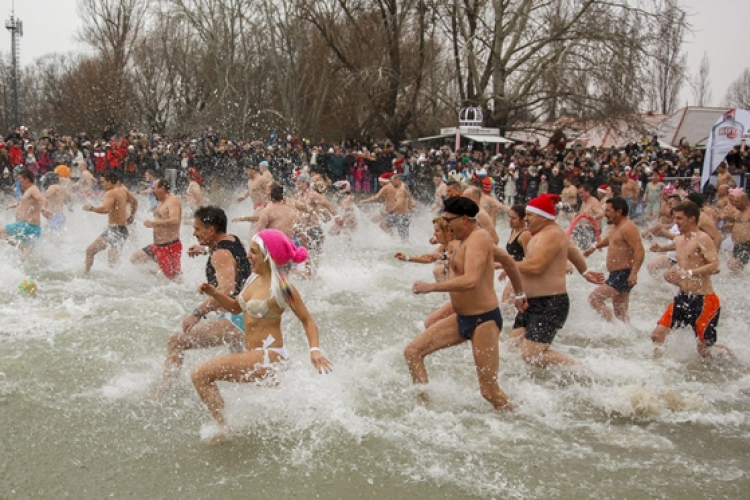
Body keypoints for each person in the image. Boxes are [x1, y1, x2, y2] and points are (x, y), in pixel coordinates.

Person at [193, 229, 332, 444]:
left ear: (269, 256)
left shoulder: (283, 287)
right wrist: (214, 293)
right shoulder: (251, 280)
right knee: (281, 412)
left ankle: (224, 429)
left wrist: (314, 351)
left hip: (269, 356)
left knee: (200, 374)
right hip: (256, 356)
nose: (248, 256)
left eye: (254, 252)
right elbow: (236, 308)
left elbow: (308, 321)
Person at [406, 197, 527, 411]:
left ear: (463, 219)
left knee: (488, 391)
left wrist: (430, 287)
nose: (445, 224)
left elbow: (471, 280)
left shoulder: (479, 238)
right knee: (413, 352)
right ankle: (426, 411)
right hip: (461, 318)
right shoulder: (461, 241)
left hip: (483, 321)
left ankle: (518, 418)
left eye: (448, 219)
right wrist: (519, 293)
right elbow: (508, 261)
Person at [157, 206, 252, 394]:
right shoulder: (233, 240)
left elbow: (227, 289)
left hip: (235, 319)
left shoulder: (220, 254)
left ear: (211, 230)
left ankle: (163, 392)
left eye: (197, 229)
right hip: (248, 317)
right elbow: (229, 257)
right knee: (246, 371)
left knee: (176, 340)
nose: (194, 233)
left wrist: (197, 312)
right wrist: (204, 249)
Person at [511, 193, 604, 367]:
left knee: (531, 355)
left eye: (530, 215)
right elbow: (572, 250)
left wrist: (506, 264)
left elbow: (536, 267)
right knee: (513, 348)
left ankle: (580, 370)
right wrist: (584, 272)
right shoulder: (544, 233)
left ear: (543, 216)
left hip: (549, 303)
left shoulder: (551, 235)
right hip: (531, 302)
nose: (526, 219)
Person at [650, 201, 733, 359]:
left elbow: (715, 266)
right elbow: (677, 247)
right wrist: (661, 248)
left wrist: (688, 273)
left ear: (692, 219)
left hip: (704, 300)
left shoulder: (703, 238)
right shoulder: (680, 239)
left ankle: (734, 358)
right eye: (675, 218)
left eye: (680, 218)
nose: (676, 222)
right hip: (683, 297)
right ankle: (657, 368)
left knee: (704, 350)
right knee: (657, 335)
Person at [584, 197, 645, 323]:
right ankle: (626, 335)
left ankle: (611, 327)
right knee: (620, 312)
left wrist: (634, 273)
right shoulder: (616, 226)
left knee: (594, 298)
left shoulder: (628, 227)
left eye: (608, 211)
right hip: (617, 273)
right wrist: (595, 246)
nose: (605, 214)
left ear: (619, 212)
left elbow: (639, 250)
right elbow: (610, 239)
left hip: (623, 273)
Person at [82, 171, 138, 273]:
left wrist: (91, 208)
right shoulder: (123, 190)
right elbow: (135, 201)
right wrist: (132, 216)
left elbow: (105, 209)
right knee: (112, 263)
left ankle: (86, 274)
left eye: (103, 182)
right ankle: (116, 280)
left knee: (90, 251)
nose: (101, 184)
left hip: (115, 230)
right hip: (121, 230)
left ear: (110, 181)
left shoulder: (111, 192)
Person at [130, 178, 183, 279]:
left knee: (173, 280)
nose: (151, 191)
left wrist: (154, 224)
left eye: (153, 188)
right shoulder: (161, 202)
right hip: (156, 246)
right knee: (135, 259)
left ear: (162, 188)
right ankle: (158, 275)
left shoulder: (173, 201)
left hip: (169, 247)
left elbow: (175, 220)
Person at [395, 216, 458, 283]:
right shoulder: (444, 245)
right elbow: (429, 258)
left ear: (447, 231)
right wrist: (407, 258)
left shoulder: (454, 244)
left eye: (437, 231)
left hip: (458, 289)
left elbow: (460, 260)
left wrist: (444, 257)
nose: (434, 234)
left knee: (438, 269)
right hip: (448, 290)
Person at [0, 169, 46, 261]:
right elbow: (30, 202)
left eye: (20, 178)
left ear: (27, 179)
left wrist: (43, 209)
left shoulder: (33, 189)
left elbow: (43, 199)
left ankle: (22, 246)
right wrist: (17, 204)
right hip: (30, 228)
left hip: (27, 226)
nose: (18, 180)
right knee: (23, 259)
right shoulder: (30, 190)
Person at [234, 183, 298, 239]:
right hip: (289, 243)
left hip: (277, 243)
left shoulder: (270, 208)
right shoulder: (284, 203)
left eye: (267, 189)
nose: (265, 192)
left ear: (272, 191)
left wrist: (243, 218)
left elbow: (258, 229)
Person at [497, 204, 531, 305]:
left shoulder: (525, 234)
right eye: (509, 217)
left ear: (522, 219)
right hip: (514, 270)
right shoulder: (514, 230)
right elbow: (512, 255)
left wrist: (508, 268)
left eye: (514, 218)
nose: (510, 220)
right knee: (506, 303)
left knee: (507, 303)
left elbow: (529, 259)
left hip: (522, 273)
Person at [724, 191, 750, 273]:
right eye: (735, 201)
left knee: (733, 265)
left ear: (745, 201)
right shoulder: (738, 212)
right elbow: (731, 221)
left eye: (737, 202)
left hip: (747, 244)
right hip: (737, 244)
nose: (735, 204)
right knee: (733, 268)